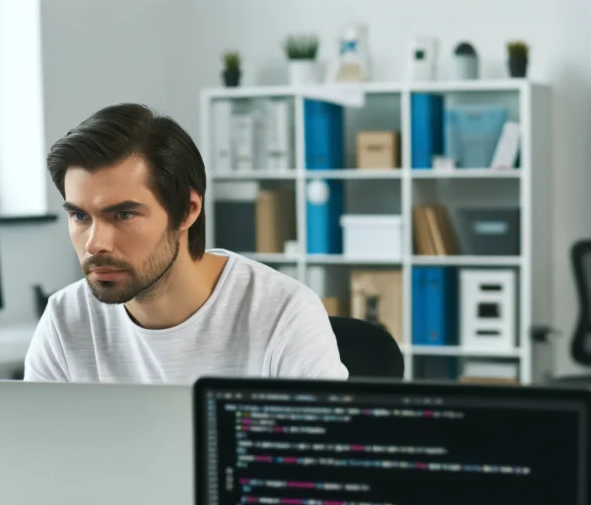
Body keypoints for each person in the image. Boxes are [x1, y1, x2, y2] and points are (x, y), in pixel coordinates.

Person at [24, 103, 348, 383]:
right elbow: (32, 450)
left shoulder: (283, 313)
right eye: (80, 216)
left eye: (123, 215)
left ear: (188, 211)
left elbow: (328, 450)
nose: (95, 244)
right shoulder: (66, 317)